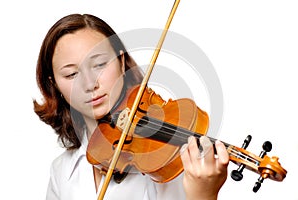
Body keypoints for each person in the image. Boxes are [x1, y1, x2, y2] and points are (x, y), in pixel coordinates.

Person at [33, 13, 229, 200]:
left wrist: (203, 195)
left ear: (121, 60)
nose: (90, 84)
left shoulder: (163, 156)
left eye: (100, 64)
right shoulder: (61, 171)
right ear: (54, 84)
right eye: (71, 74)